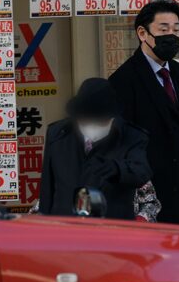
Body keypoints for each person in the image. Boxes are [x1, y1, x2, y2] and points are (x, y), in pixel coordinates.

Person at [109, 0, 179, 225]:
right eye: (163, 29)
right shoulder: (123, 81)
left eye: (176, 30)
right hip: (153, 194)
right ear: (143, 34)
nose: (171, 36)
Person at [39, 78, 152, 220]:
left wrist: (117, 169)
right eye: (88, 119)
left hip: (112, 226)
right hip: (65, 225)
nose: (93, 125)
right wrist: (44, 221)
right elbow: (47, 187)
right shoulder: (57, 134)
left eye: (99, 120)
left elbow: (141, 172)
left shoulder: (132, 136)